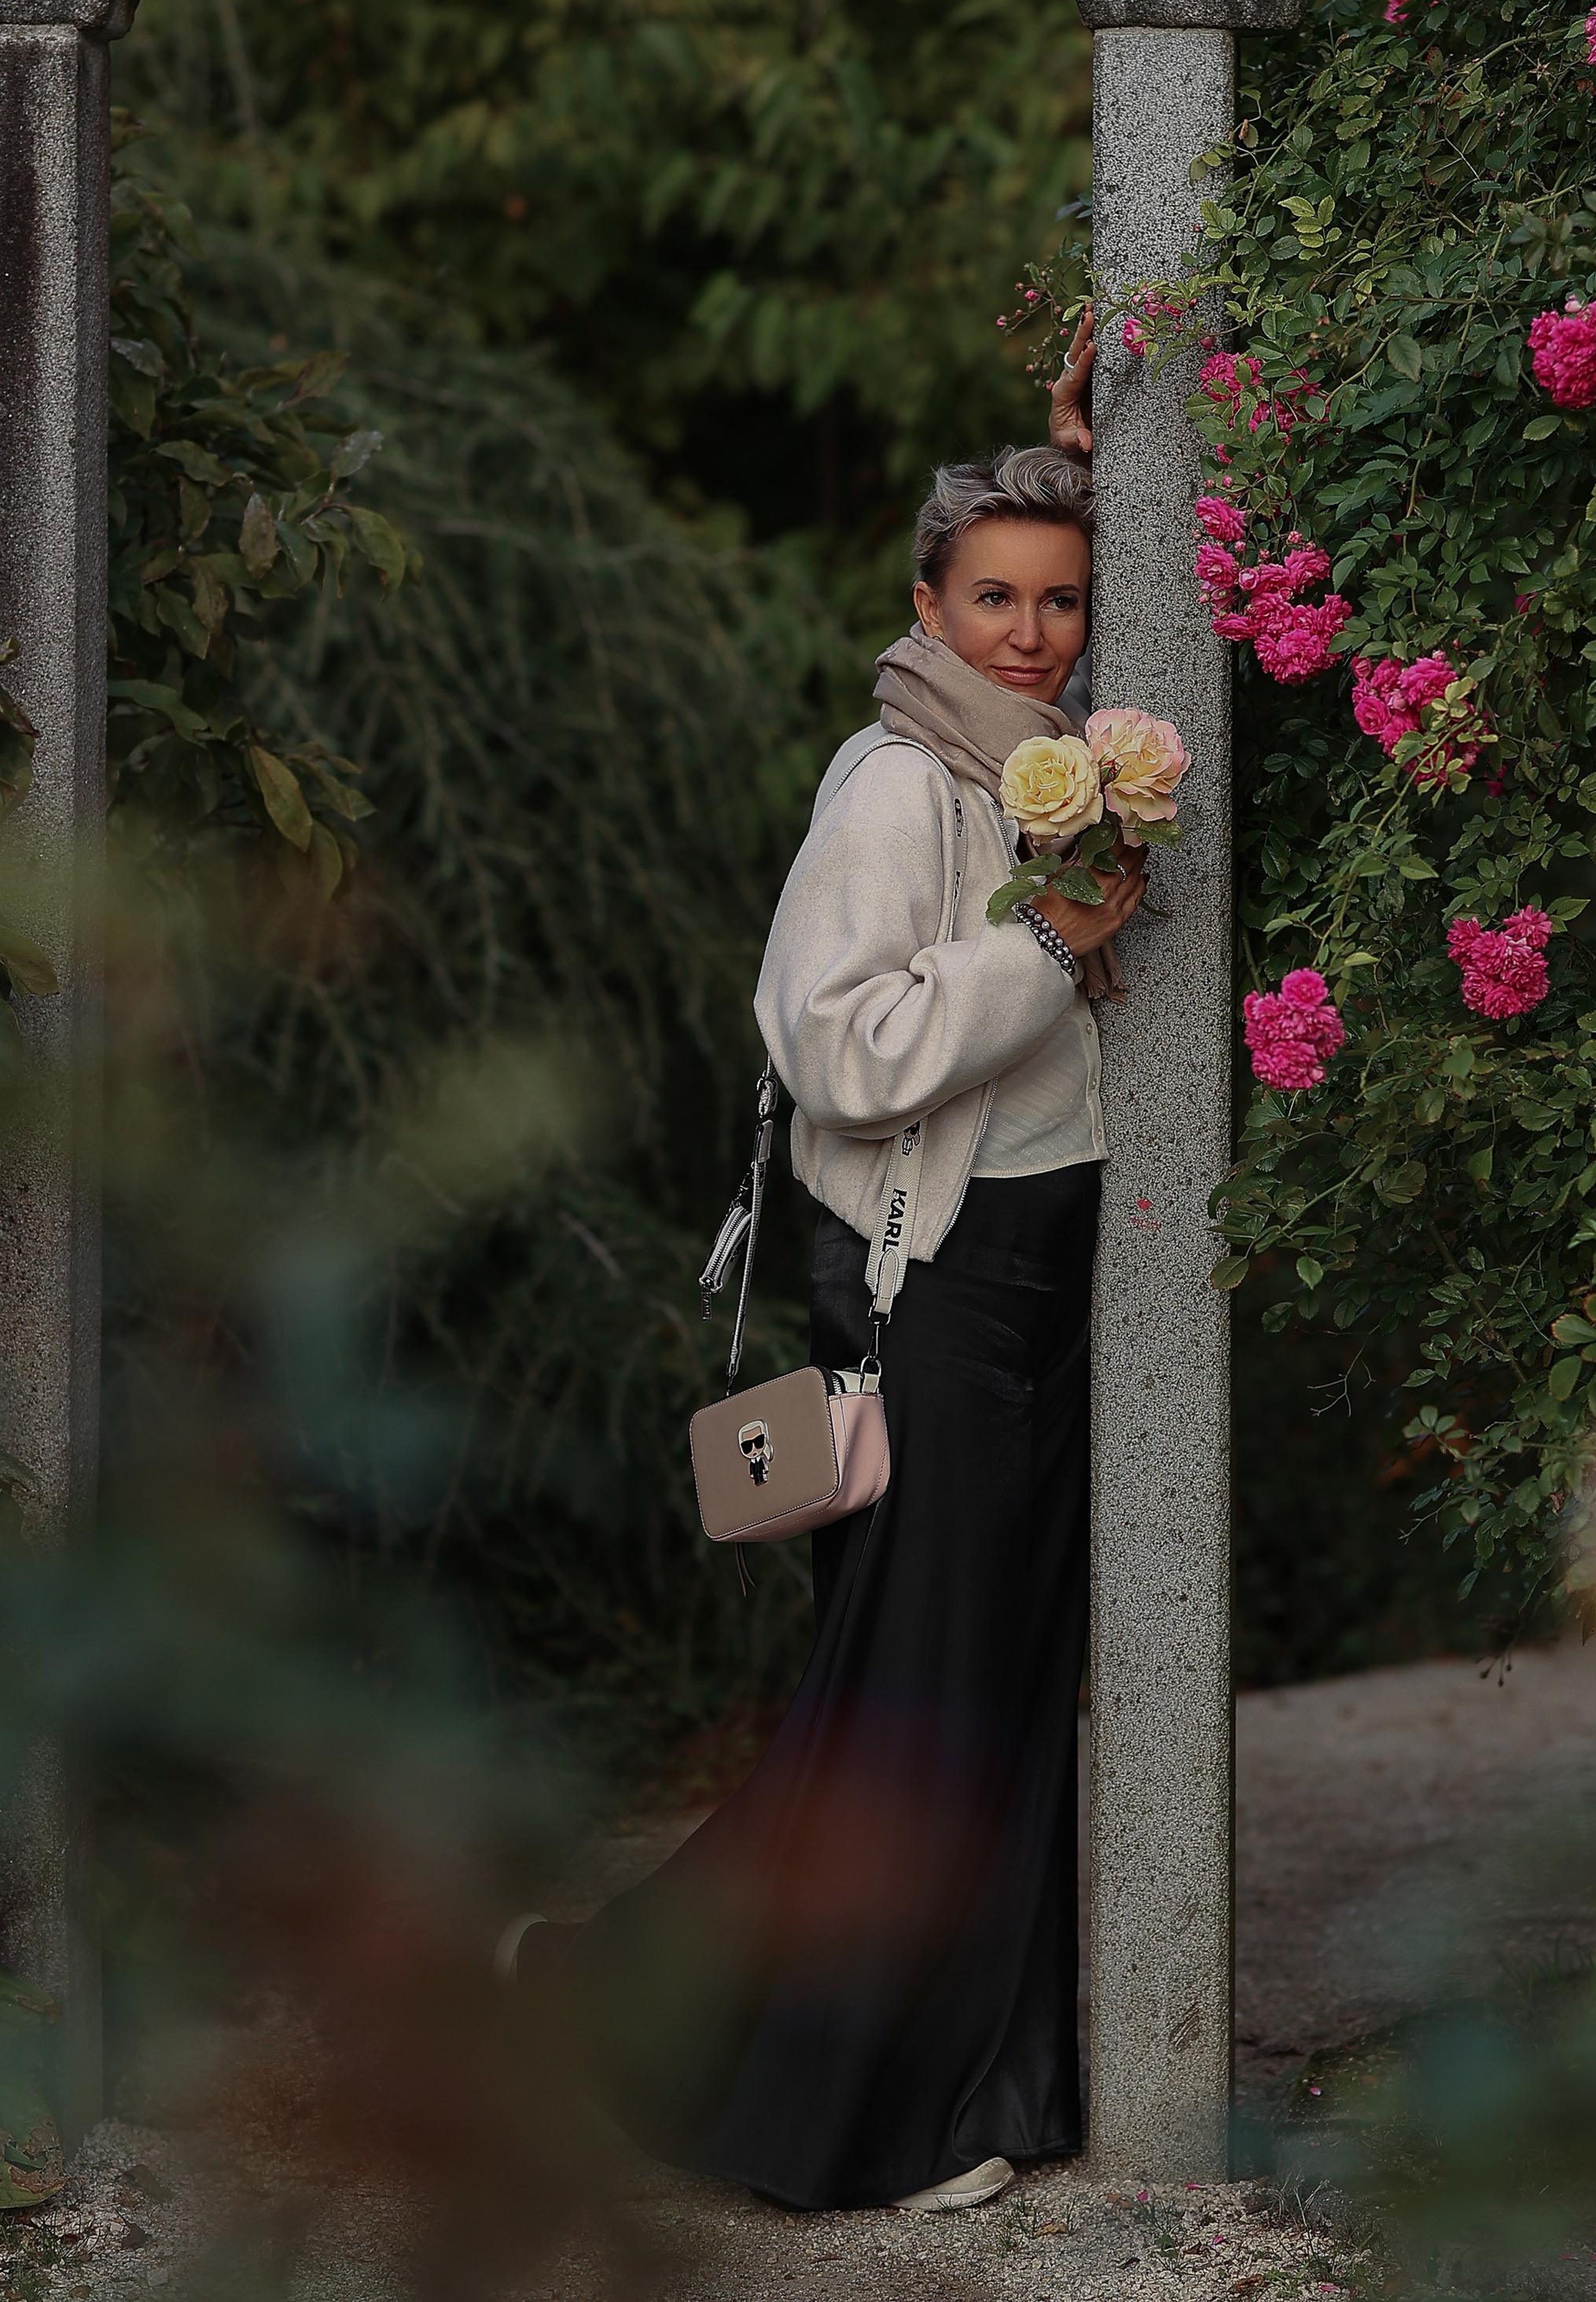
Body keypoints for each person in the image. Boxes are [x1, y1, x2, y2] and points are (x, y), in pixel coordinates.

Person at [504, 317, 1142, 2215]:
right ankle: (868, 2119)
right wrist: (1048, 947)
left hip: (1032, 1276)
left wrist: (1090, 457)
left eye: (1059, 599)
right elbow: (833, 1043)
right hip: (923, 1285)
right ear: (923, 605)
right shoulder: (896, 785)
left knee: (972, 1693)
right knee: (918, 1713)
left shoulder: (1049, 767)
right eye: (992, 597)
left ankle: (748, 2019)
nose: (1029, 631)